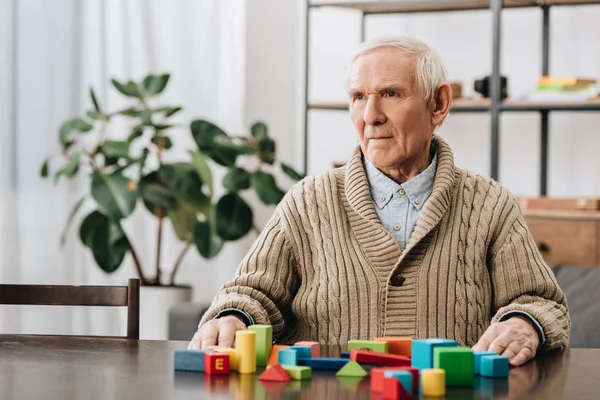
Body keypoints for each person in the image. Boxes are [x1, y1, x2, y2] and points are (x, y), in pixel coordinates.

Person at [188, 37, 570, 367]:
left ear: (438, 104)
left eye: (390, 94)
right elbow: (251, 293)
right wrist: (232, 318)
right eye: (358, 97)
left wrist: (523, 323)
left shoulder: (490, 204)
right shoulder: (308, 201)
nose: (370, 116)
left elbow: (540, 301)